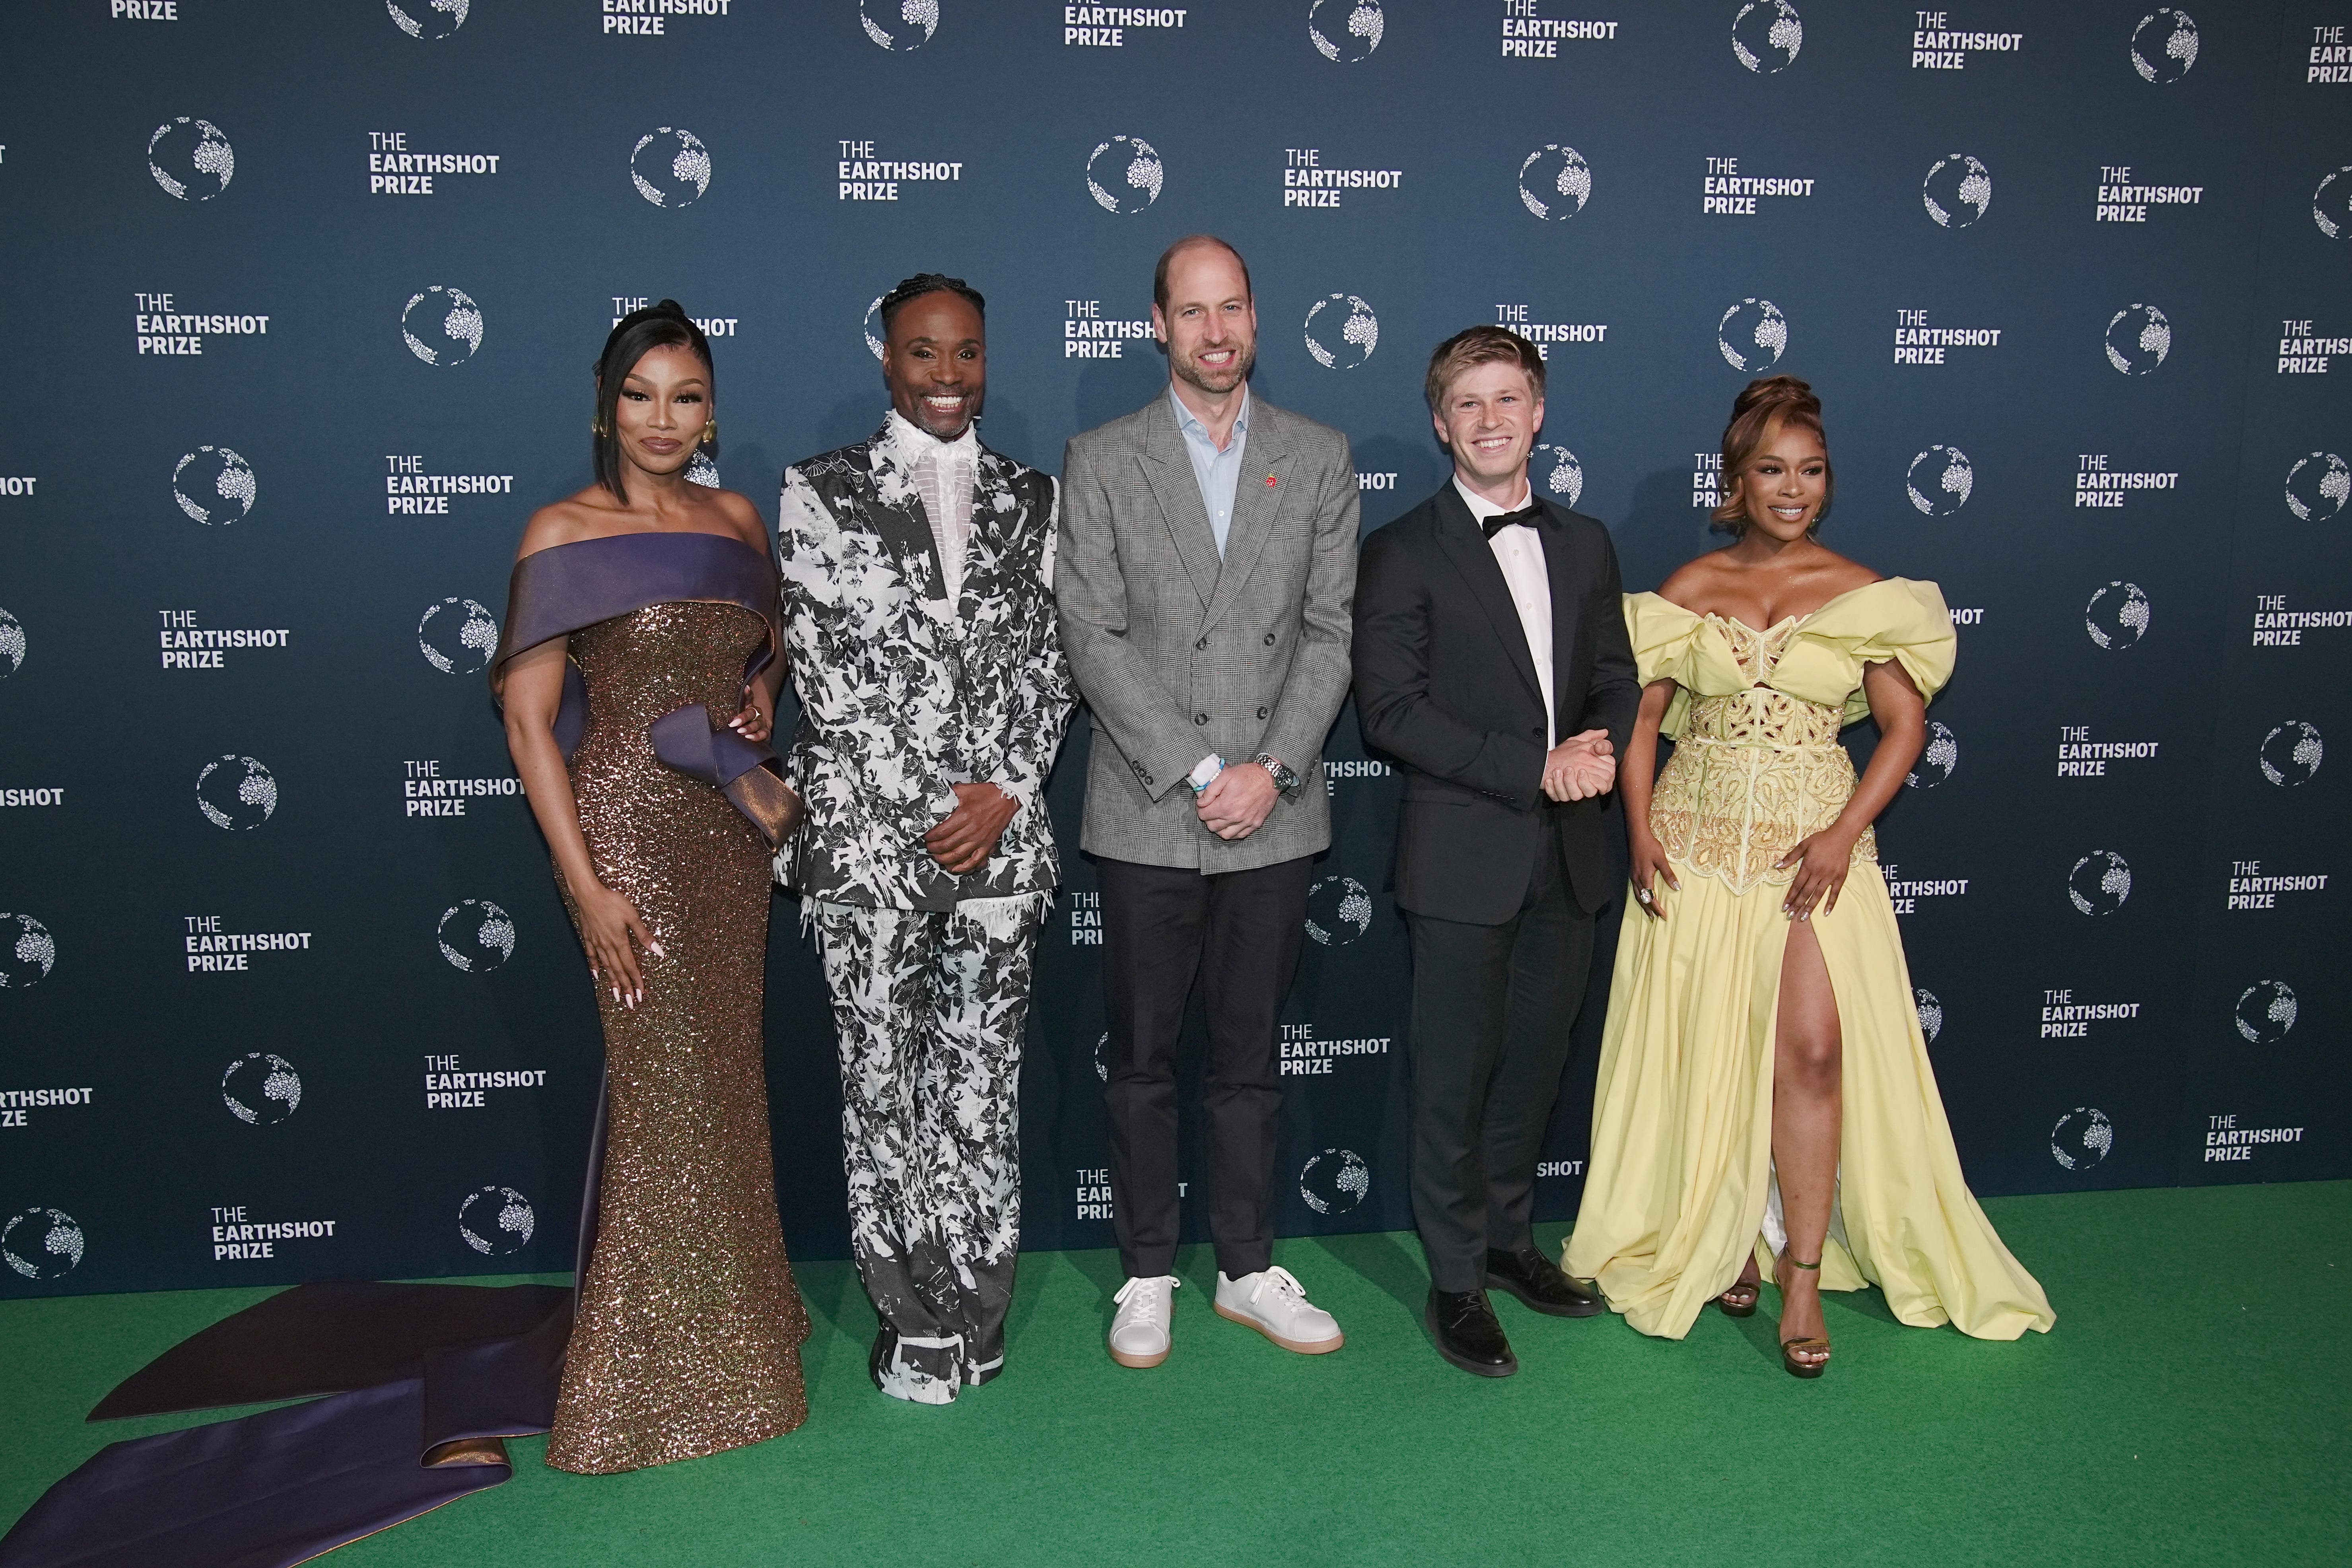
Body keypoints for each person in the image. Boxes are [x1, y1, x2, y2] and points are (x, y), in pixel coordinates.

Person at [1564, 376, 2054, 1376]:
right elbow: (1643, 722)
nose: (1793, 489)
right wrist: (1639, 831)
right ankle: (1728, 1239)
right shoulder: (1687, 590)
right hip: (1694, 851)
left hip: (1812, 864)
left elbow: (1904, 726)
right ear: (1735, 482)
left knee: (1812, 1055)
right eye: (1771, 471)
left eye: (1810, 470)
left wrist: (1841, 833)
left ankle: (1797, 1271)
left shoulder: (1868, 594)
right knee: (1711, 1051)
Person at [492, 301, 809, 1472]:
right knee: (666, 1103)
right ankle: (639, 1390)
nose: (662, 419)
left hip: (726, 841)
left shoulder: (735, 518)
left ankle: (740, 1342)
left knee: (723, 1090)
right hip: (626, 837)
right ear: (603, 407)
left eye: (684, 396)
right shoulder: (561, 529)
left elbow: (757, 652)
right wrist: (586, 889)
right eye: (640, 396)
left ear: (711, 408)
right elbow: (531, 728)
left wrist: (760, 699)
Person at [1056, 235, 1359, 1368]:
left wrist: (1270, 770)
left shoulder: (1318, 457)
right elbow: (1090, 630)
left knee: (1247, 1056)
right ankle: (1146, 1273)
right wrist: (1196, 770)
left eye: (1232, 308)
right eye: (1192, 313)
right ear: (1157, 324)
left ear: (1255, 319)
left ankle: (1244, 1267)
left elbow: (1330, 633)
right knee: (1140, 1056)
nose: (1215, 332)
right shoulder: (1104, 457)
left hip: (1275, 805)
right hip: (1149, 802)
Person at [775, 273, 1073, 1405]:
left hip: (1002, 846)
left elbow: (1060, 659)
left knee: (981, 1087)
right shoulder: (820, 491)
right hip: (866, 847)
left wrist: (1001, 788)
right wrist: (930, 807)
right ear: (886, 359)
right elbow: (830, 675)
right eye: (922, 353)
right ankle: (911, 1318)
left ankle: (978, 1304)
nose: (946, 375)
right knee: (882, 1088)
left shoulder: (1037, 498)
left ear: (987, 359)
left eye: (965, 353)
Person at [1351, 326, 1637, 1377]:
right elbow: (1389, 713)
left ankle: (1513, 1244)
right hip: (1464, 860)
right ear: (1441, 422)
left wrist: (1596, 749)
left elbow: (1615, 671)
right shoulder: (1398, 550)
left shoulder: (1588, 541)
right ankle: (1457, 1279)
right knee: (1453, 1078)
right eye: (1467, 403)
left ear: (1538, 412)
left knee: (1534, 1067)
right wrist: (1535, 766)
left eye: (1506, 399)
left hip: (1570, 857)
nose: (1489, 419)